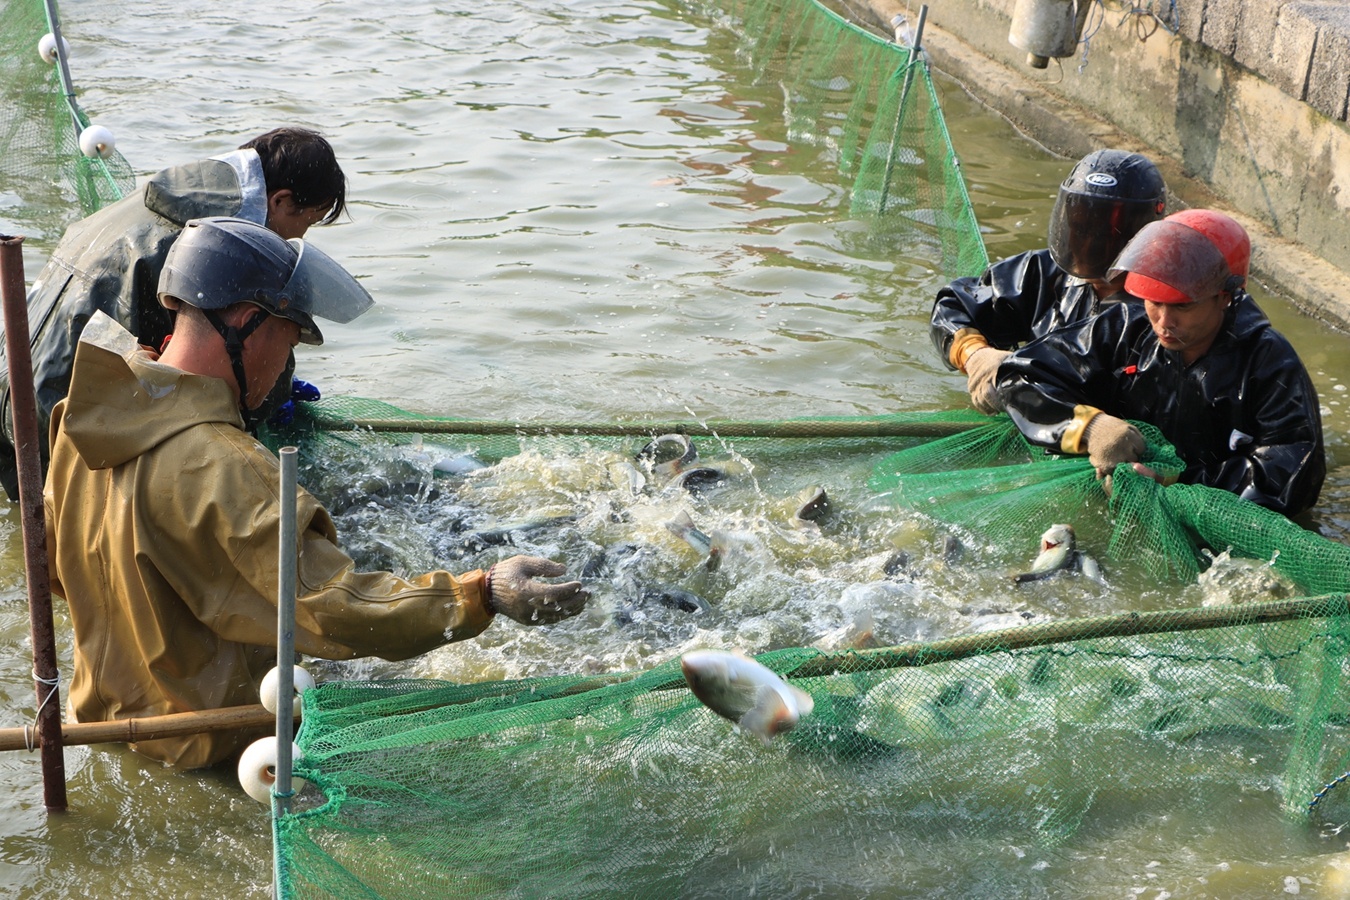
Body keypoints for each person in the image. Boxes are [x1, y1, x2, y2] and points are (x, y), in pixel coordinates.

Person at [43, 216, 590, 769]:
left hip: (101, 728)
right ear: (247, 323)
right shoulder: (226, 467)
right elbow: (336, 607)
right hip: (213, 749)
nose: (285, 363)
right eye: (288, 338)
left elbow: (57, 573)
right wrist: (482, 593)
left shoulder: (84, 416)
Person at [0, 126, 345, 500]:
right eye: (307, 221)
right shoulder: (217, 238)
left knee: (47, 533)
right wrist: (274, 390)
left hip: (11, 379)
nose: (300, 238)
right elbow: (227, 352)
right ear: (280, 200)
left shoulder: (183, 191)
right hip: (58, 413)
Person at [996, 208, 1325, 518]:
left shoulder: (1269, 362)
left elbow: (1291, 474)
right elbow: (1021, 376)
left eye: (1182, 307)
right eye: (1155, 302)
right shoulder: (1126, 327)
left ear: (1224, 296)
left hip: (1207, 515)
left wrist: (1176, 482)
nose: (1163, 323)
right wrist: (1088, 427)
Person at [931, 148, 1166, 413]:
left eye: (1106, 233)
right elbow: (956, 303)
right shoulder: (1043, 272)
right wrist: (974, 354)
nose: (1088, 244)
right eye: (1079, 227)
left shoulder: (1164, 313)